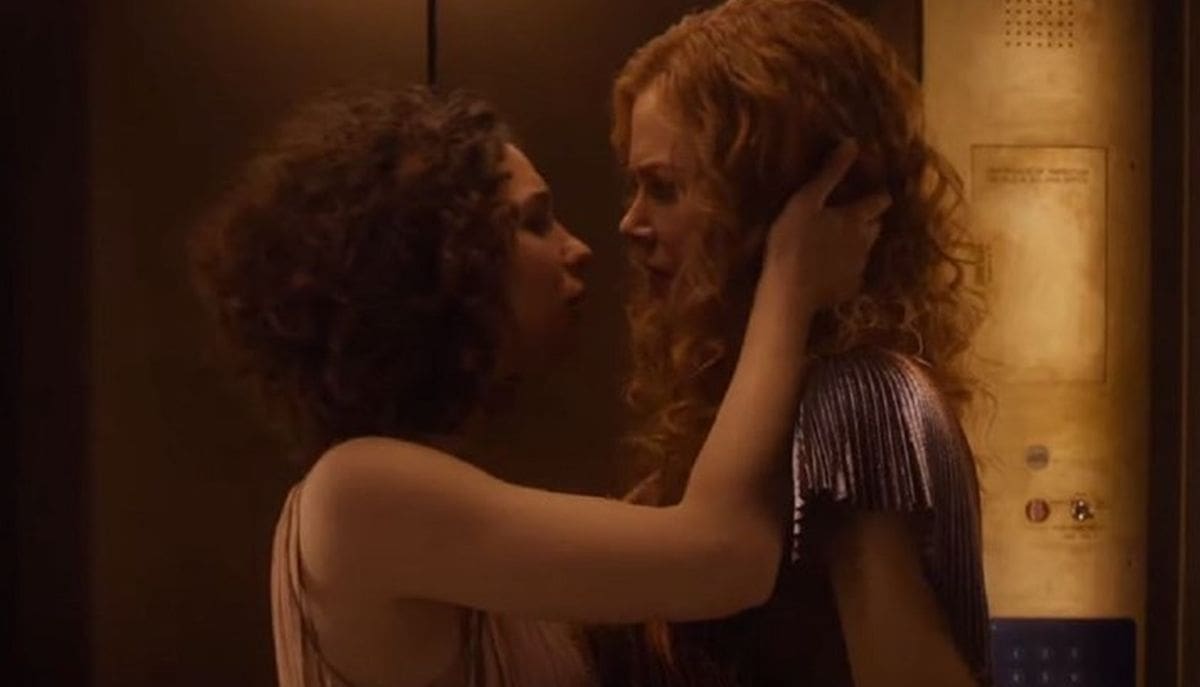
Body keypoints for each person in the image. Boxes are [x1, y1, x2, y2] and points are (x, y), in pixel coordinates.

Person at [188, 85, 884, 686]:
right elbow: (727, 558)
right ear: (434, 258)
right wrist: (790, 277)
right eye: (534, 221)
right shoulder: (360, 492)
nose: (579, 247)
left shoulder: (397, 498)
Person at [590, 1, 991, 685]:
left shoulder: (860, 399)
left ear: (766, 200)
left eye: (663, 188)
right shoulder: (751, 414)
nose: (631, 221)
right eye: (635, 186)